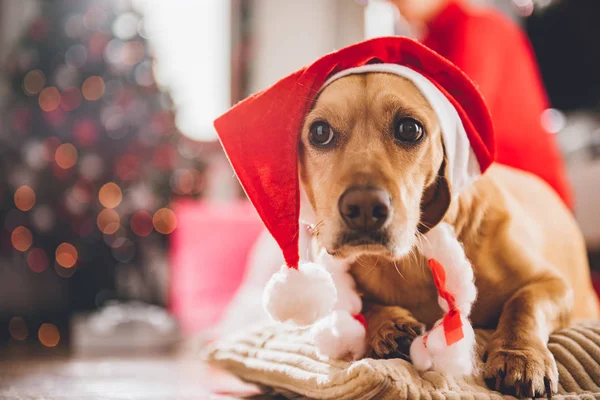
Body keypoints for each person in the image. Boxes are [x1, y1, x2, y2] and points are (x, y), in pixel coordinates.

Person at [389, 0, 573, 208]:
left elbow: (458, 121)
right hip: (492, 194)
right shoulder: (428, 43)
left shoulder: (479, 28)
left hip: (532, 202)